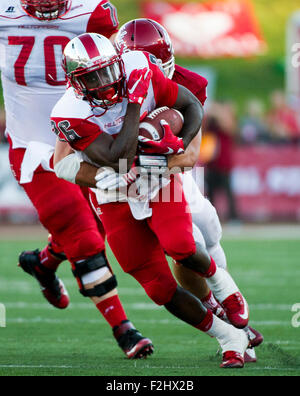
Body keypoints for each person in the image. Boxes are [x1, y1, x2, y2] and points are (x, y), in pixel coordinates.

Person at [52, 32, 252, 368]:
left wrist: (175, 145)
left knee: (183, 245)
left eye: (107, 71)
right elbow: (115, 156)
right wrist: (133, 103)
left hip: (159, 177)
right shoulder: (69, 111)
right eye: (92, 78)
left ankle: (225, 287)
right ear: (75, 84)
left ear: (119, 60)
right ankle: (228, 336)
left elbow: (190, 107)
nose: (103, 83)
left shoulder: (139, 66)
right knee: (157, 288)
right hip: (113, 191)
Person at [0, 0, 153, 359]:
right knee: (83, 237)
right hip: (34, 147)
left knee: (97, 228)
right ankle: (124, 329)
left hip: (85, 139)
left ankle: (45, 262)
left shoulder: (92, 13)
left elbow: (124, 62)